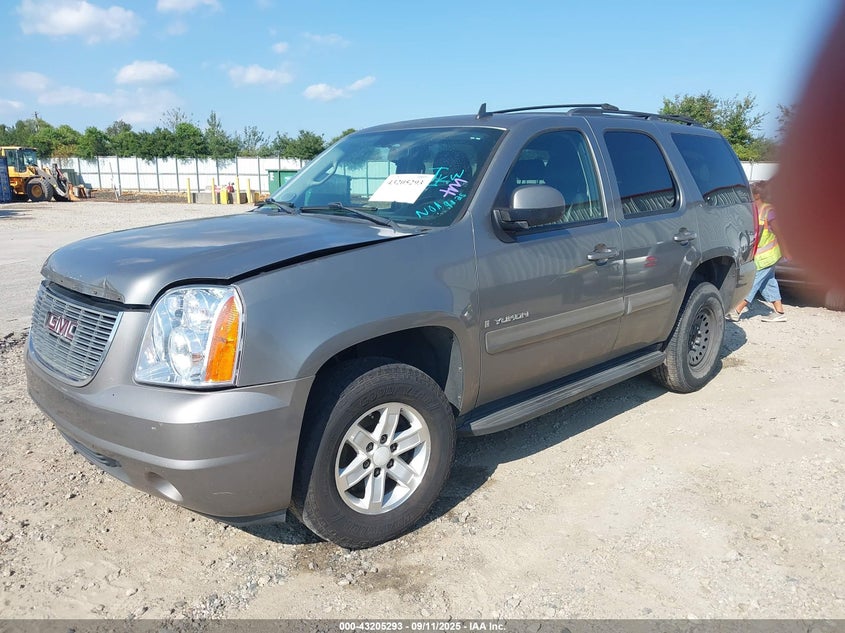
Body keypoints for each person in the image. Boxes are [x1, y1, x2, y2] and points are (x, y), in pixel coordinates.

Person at [727, 180, 788, 322]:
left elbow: (779, 232)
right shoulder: (755, 209)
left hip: (767, 255)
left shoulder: (769, 211)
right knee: (768, 282)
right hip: (760, 254)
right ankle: (779, 313)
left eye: (750, 192)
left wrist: (786, 251)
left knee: (752, 282)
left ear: (757, 195)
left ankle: (737, 311)